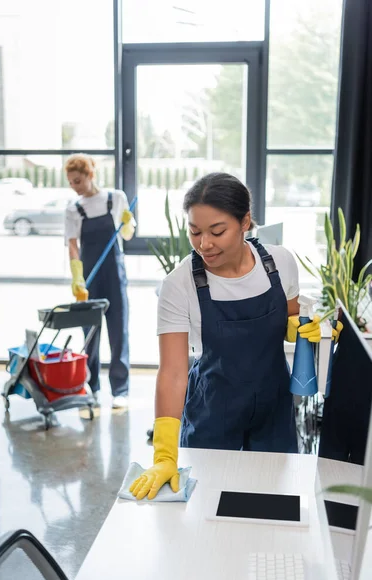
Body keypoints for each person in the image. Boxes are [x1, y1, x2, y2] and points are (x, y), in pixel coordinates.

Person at [130, 172, 342, 501]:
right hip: (213, 409)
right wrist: (164, 456)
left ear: (245, 222)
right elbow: (172, 374)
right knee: (206, 505)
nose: (204, 244)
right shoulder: (179, 284)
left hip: (274, 408)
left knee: (274, 502)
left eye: (217, 231)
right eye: (195, 231)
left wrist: (318, 328)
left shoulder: (280, 263)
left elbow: (292, 319)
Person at [64, 154, 135, 409]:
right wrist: (77, 279)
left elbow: (126, 235)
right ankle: (91, 387)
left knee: (119, 332)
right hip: (90, 278)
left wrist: (129, 223)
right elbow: (73, 246)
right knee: (90, 333)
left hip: (115, 275)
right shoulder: (73, 209)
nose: (75, 186)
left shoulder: (115, 198)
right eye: (71, 183)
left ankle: (120, 389)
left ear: (90, 175)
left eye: (78, 181)